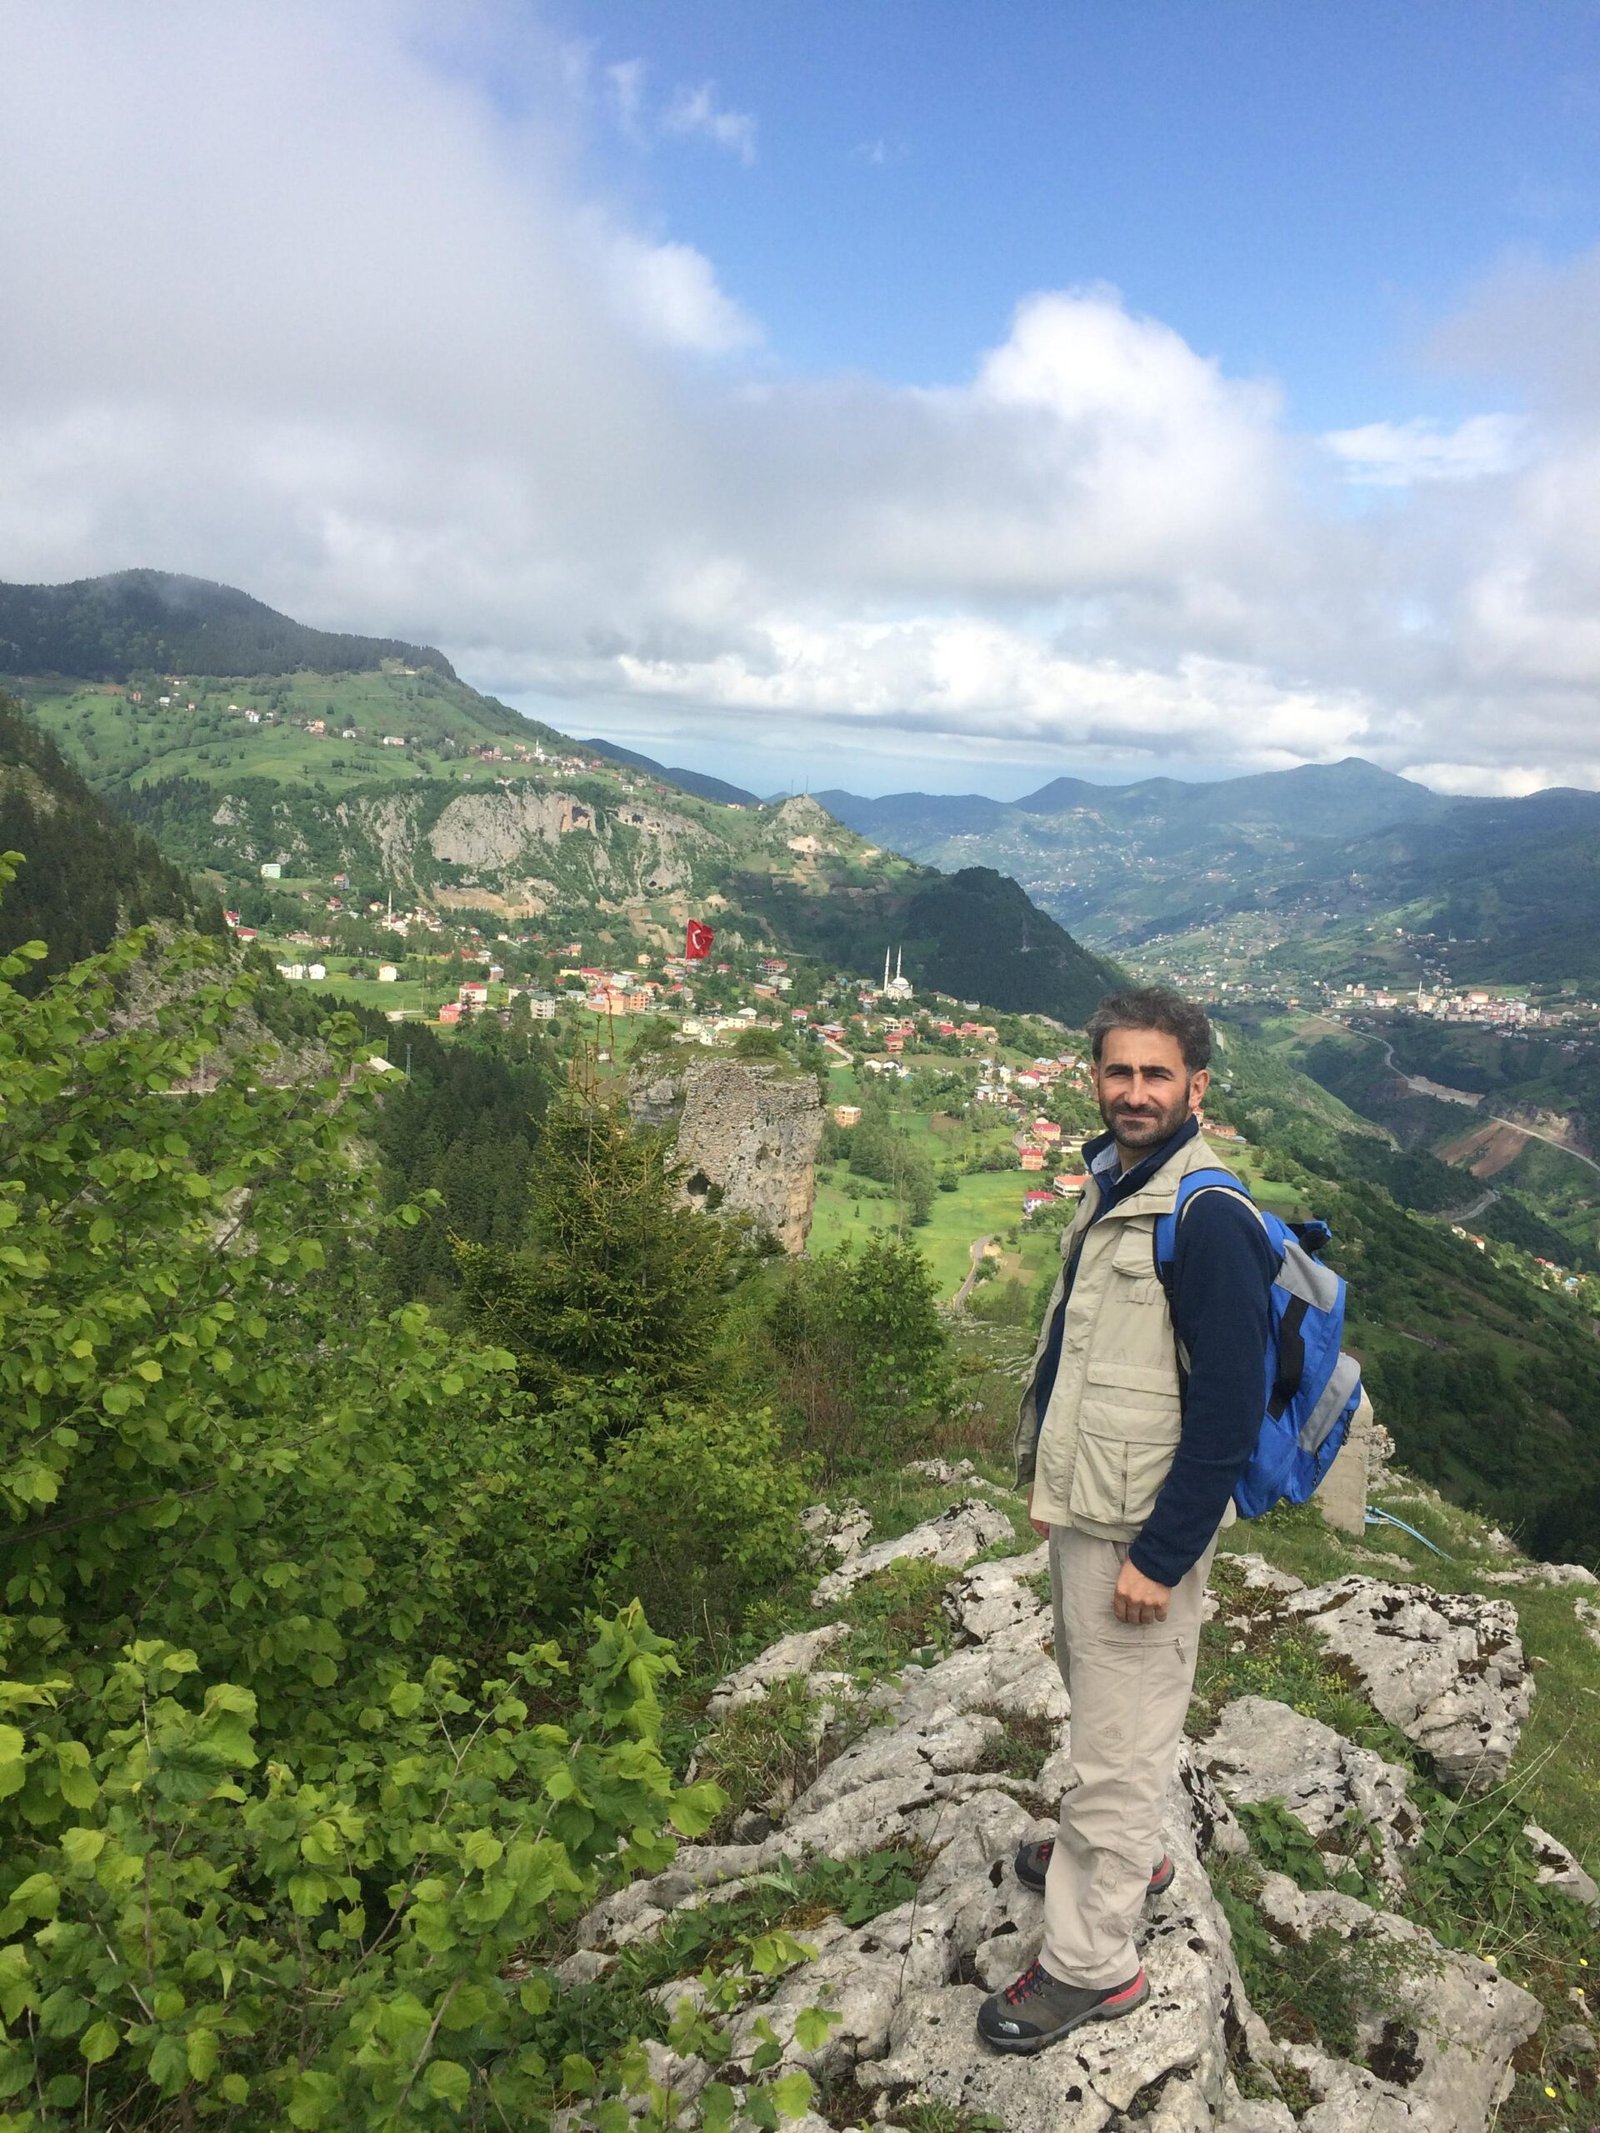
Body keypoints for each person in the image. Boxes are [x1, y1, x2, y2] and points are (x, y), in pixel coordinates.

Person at [977, 987, 1276, 2056]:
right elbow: (1085, 1358)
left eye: (1157, 1073)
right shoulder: (1118, 1180)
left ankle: (1090, 1967)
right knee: (1102, 1707)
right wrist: (1051, 1486)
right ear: (1095, 1077)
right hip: (1093, 1507)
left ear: (1196, 1085)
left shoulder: (1207, 1216)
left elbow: (1231, 1408)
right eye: (1119, 1071)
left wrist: (1162, 1553)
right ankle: (1128, 1856)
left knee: (1116, 1748)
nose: (1135, 1090)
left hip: (1142, 1531)